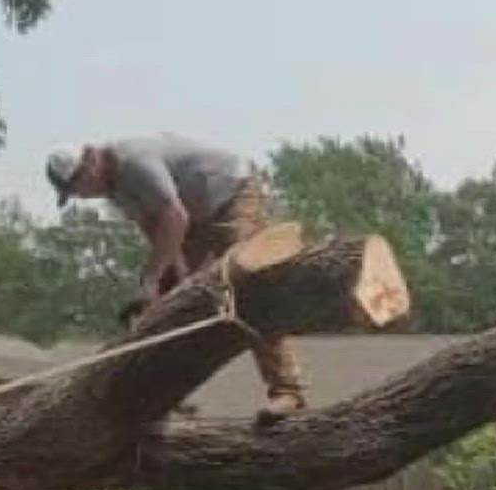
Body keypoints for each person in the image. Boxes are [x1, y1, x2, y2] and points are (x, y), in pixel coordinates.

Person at [46, 133, 306, 420]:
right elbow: (154, 226)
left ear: (90, 162)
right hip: (192, 217)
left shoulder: (134, 161)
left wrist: (151, 279)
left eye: (78, 186)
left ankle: (287, 390)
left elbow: (174, 216)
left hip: (231, 196)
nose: (82, 196)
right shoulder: (115, 190)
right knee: (169, 302)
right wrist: (175, 277)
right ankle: (163, 393)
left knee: (247, 284)